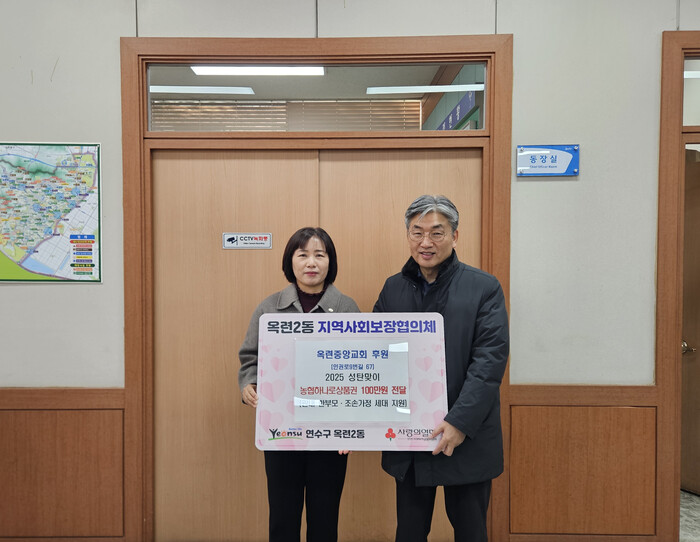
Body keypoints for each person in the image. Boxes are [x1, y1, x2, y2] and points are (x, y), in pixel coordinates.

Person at [373, 195, 509, 542]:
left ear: (455, 236)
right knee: (410, 531)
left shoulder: (484, 287)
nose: (425, 242)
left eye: (437, 232)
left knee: (470, 531)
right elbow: (376, 353)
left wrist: (459, 422)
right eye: (417, 232)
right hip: (410, 436)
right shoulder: (393, 288)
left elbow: (489, 361)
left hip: (466, 435)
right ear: (408, 235)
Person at [239, 226, 359, 542]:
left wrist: (353, 423)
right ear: (290, 261)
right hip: (281, 429)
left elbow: (359, 370)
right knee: (282, 517)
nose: (311, 262)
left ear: (330, 262)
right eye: (303, 254)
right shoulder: (269, 308)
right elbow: (250, 357)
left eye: (320, 255)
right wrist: (249, 384)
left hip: (330, 432)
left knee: (325, 519)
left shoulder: (346, 308)